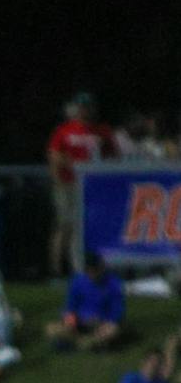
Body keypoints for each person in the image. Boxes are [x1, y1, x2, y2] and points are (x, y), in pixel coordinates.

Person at [47, 93, 116, 277]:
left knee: (84, 228)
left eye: (88, 106)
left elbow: (113, 157)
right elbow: (54, 156)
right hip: (68, 184)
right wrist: (58, 181)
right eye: (82, 106)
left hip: (92, 187)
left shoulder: (102, 131)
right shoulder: (65, 130)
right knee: (65, 225)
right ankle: (56, 270)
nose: (85, 110)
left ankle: (80, 270)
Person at [46, 252, 124, 352]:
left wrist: (103, 321)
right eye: (90, 270)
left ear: (101, 268)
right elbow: (69, 307)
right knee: (51, 329)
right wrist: (70, 320)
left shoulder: (113, 283)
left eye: (95, 270)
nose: (93, 273)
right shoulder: (77, 281)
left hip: (101, 324)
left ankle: (80, 343)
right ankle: (86, 343)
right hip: (79, 323)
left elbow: (117, 312)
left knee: (112, 331)